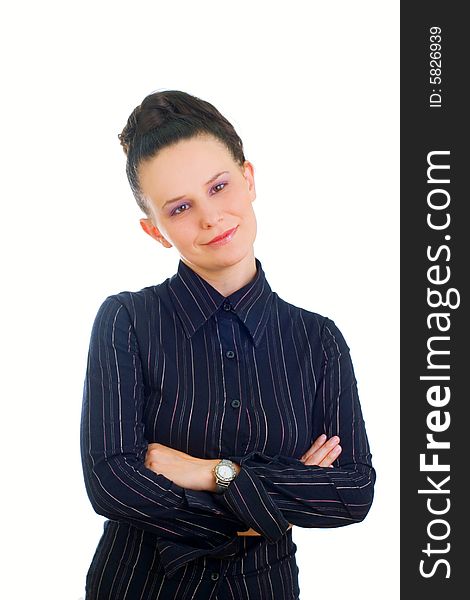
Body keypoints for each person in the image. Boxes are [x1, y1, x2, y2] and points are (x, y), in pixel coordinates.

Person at [80, 89, 376, 600]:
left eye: (219, 186)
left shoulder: (318, 340)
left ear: (250, 178)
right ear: (154, 230)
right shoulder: (126, 320)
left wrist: (211, 474)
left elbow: (350, 495)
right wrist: (269, 503)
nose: (210, 217)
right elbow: (112, 484)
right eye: (180, 208)